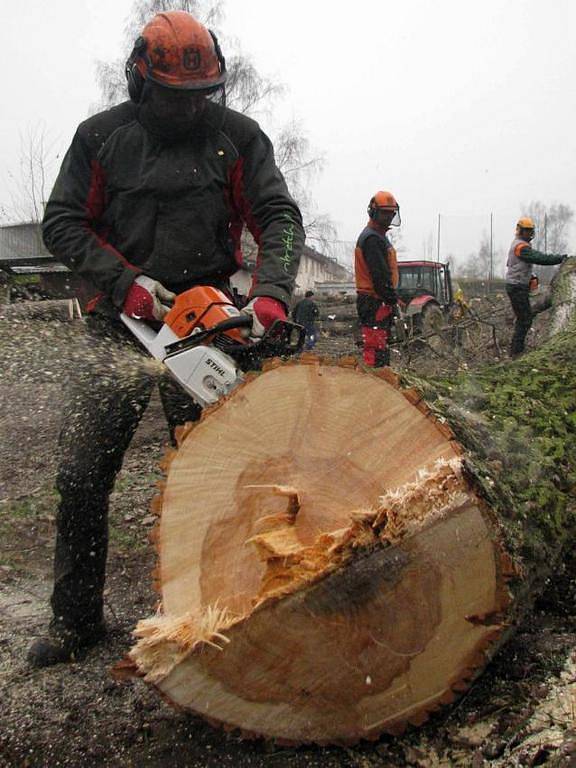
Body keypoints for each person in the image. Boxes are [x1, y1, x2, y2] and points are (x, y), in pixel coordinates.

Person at [29, 10, 304, 667]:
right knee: (83, 473)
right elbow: (63, 222)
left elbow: (277, 213)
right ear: (139, 79)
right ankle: (75, 622)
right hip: (121, 321)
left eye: (197, 97)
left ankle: (234, 610)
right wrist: (121, 282)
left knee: (222, 476)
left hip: (207, 321)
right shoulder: (102, 138)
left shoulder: (237, 138)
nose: (186, 110)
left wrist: (269, 293)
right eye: (173, 97)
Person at [505, 217, 566, 357]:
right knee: (525, 318)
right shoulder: (521, 247)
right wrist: (559, 259)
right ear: (520, 230)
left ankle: (516, 348)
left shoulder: (521, 245)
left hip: (518, 285)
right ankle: (516, 351)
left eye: (530, 231)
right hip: (516, 287)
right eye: (526, 231)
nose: (528, 233)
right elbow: (538, 258)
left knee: (525, 316)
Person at [354, 191, 400, 367]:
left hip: (377, 299)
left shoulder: (378, 237)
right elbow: (380, 276)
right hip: (373, 300)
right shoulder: (372, 239)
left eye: (391, 214)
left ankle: (380, 376)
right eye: (384, 214)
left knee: (380, 344)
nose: (388, 218)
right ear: (374, 213)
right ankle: (375, 380)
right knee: (375, 346)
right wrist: (391, 299)